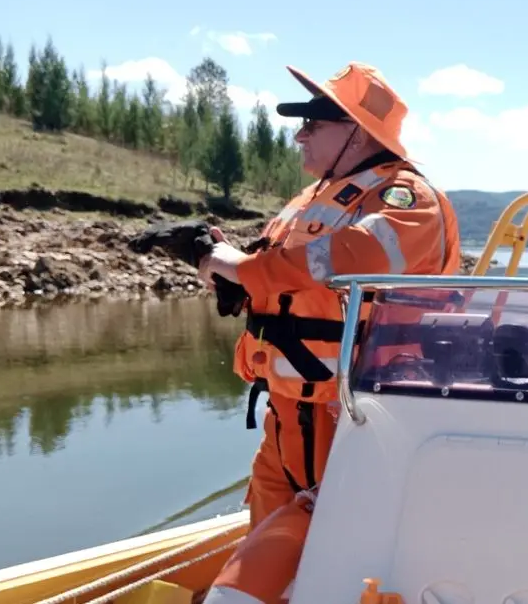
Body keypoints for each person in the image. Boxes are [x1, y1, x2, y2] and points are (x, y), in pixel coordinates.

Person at [198, 61, 462, 529]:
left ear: (356, 134)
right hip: (286, 415)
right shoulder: (308, 201)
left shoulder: (408, 199)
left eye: (313, 124)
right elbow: (282, 281)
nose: (300, 136)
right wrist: (230, 280)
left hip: (357, 415)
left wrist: (240, 267)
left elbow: (348, 257)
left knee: (342, 548)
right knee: (266, 539)